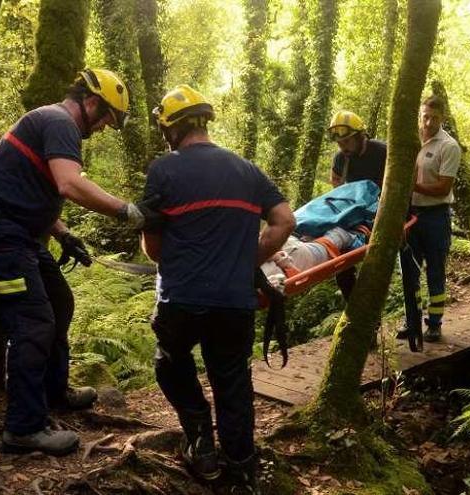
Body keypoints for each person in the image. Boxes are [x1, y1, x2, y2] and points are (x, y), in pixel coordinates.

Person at [0, 69, 158, 457]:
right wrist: (127, 211)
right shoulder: (60, 122)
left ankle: (53, 390)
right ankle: (23, 428)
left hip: (17, 233)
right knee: (33, 321)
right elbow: (68, 183)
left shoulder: (48, 121)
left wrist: (65, 234)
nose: (101, 129)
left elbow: (32, 191)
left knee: (60, 302)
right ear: (92, 102)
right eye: (105, 121)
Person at [140, 85, 294, 493]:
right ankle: (242, 469)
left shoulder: (163, 170)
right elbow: (285, 220)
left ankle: (200, 440)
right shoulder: (247, 170)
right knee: (232, 381)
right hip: (233, 301)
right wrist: (250, 256)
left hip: (181, 299)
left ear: (171, 128)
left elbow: (154, 249)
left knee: (169, 362)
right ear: (204, 121)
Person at [397, 95, 461, 343]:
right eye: (425, 116)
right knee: (409, 272)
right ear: (420, 115)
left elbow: (444, 188)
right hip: (409, 215)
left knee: (435, 270)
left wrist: (413, 186)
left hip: (436, 216)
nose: (429, 121)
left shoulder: (448, 146)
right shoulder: (410, 142)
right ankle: (411, 321)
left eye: (434, 117)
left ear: (442, 118)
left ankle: (434, 324)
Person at [326, 110, 387, 300]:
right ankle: (354, 308)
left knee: (375, 268)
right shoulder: (341, 159)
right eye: (339, 143)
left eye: (346, 141)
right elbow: (336, 185)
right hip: (353, 218)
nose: (342, 147)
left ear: (360, 136)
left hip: (380, 216)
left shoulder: (382, 152)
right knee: (341, 266)